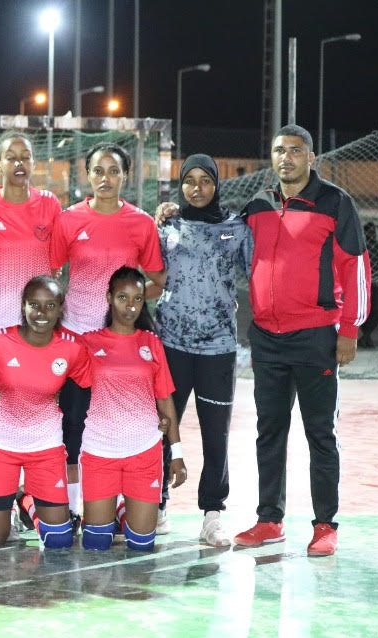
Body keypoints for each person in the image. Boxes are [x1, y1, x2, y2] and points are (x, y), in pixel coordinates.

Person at [234, 125, 371, 557]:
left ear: (311, 158)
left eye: (295, 151)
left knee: (320, 434)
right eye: (278, 150)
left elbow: (357, 266)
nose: (286, 158)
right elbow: (224, 240)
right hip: (268, 340)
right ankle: (269, 520)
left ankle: (325, 525)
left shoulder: (334, 201)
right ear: (271, 158)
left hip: (315, 336)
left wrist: (349, 329)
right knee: (268, 431)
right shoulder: (257, 204)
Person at [49, 142, 165, 531]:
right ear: (87, 175)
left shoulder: (142, 223)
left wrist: (127, 305)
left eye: (113, 171)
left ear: (126, 176)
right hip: (78, 339)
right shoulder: (68, 221)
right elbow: (49, 276)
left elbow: (158, 281)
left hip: (122, 344)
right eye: (98, 171)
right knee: (75, 423)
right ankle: (79, 507)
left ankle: (143, 499)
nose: (105, 178)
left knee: (129, 419)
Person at [154, 154, 253, 547]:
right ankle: (157, 504)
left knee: (216, 434)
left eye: (205, 181)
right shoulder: (166, 225)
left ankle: (213, 513)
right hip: (171, 344)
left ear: (216, 184)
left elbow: (259, 273)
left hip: (217, 348)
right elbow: (151, 274)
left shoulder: (236, 228)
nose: (197, 188)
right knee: (162, 428)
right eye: (189, 180)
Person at [0, 275, 91, 549]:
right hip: (0, 443)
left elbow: (89, 384)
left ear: (61, 308)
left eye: (50, 305)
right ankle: (13, 500)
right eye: (34, 304)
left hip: (45, 445)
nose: (41, 313)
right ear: (23, 306)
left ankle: (26, 500)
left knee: (59, 541)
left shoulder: (72, 348)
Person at [78, 267, 186, 552]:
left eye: (137, 299)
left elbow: (164, 399)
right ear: (109, 298)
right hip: (101, 451)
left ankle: (125, 509)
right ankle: (115, 507)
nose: (130, 306)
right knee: (96, 544)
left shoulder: (151, 343)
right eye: (123, 297)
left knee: (141, 545)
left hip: (144, 451)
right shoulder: (88, 343)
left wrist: (176, 453)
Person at [0, 131, 62, 339]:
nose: (20, 163)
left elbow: (54, 264)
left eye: (26, 157)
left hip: (37, 320)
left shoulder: (49, 203)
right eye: (11, 157)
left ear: (34, 163)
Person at [359, 221, 378, 348]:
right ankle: (366, 337)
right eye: (370, 232)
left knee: (376, 310)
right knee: (363, 310)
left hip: (377, 282)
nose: (372, 234)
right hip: (364, 281)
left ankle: (366, 336)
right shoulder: (361, 246)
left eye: (374, 232)